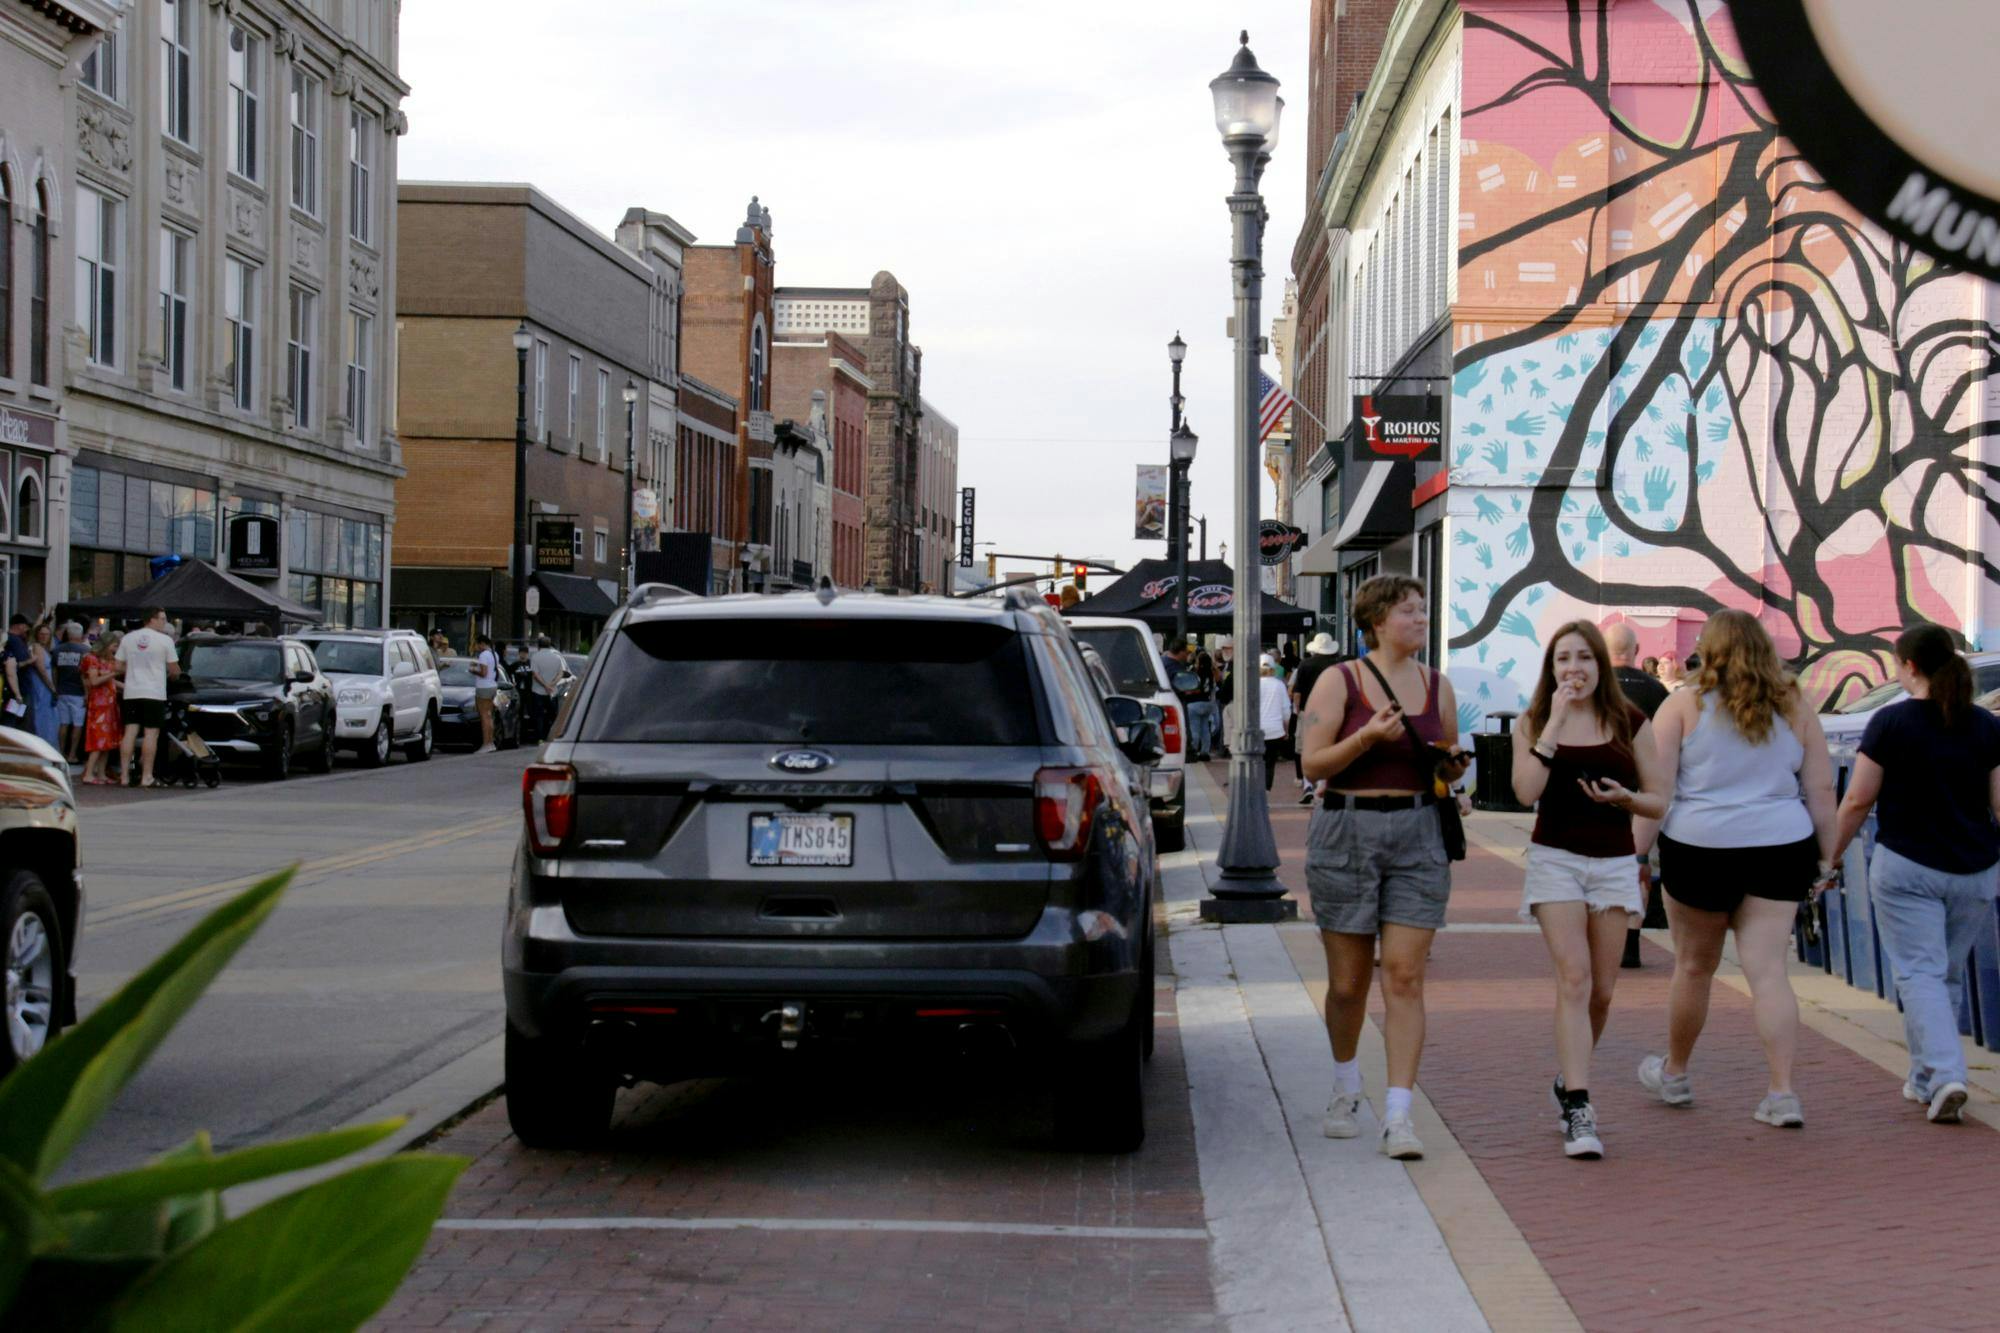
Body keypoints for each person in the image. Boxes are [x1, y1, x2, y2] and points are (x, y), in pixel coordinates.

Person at [1631, 609, 1836, 1128]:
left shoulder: (1682, 705)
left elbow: (1660, 791)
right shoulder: (1796, 708)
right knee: (1768, 971)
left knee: (1694, 966)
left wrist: (1636, 855)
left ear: (1710, 649)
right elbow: (1820, 790)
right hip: (1779, 844)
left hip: (1699, 846)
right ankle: (1782, 1092)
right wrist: (1828, 857)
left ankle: (1675, 1073)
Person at [1298, 574, 1470, 1159]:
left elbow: (1445, 768)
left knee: (1404, 975)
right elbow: (1313, 764)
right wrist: (1366, 739)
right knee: (1348, 984)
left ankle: (1399, 1114)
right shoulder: (1338, 680)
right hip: (1347, 831)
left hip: (1419, 834)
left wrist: (1453, 768)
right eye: (1407, 611)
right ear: (1375, 621)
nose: (1420, 620)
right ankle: (1347, 1085)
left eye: (1423, 610)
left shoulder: (1437, 685)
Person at [1828, 625, 2000, 1124]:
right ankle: (1926, 1077)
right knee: (1943, 974)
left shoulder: (1890, 723)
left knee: (1919, 973)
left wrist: (1829, 856)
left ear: (1910, 667)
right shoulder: (1987, 728)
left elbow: (1857, 800)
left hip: (1907, 867)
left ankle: (1947, 1074)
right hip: (1974, 870)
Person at [1511, 622, 1669, 1159]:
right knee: (1573, 978)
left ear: (1601, 664)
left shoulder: (1629, 720)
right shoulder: (1534, 720)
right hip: (1555, 859)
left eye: (1583, 657)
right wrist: (1552, 721)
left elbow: (1658, 800)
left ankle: (1567, 1077)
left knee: (1602, 991)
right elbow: (1524, 791)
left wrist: (1626, 798)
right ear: (1550, 668)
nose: (1573, 668)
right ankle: (1579, 1105)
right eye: (1562, 659)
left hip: (1613, 862)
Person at [1604, 623, 1669, 968]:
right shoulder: (1656, 690)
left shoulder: (1594, 685)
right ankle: (1630, 942)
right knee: (1637, 865)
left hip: (1598, 788)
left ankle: (1599, 937)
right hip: (1642, 790)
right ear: (1637, 649)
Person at [115, 607, 181, 788]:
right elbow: (175, 669)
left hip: (132, 691)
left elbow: (118, 666)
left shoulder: (128, 638)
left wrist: (134, 671)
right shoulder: (165, 640)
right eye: (162, 619)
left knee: (130, 732)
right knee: (151, 734)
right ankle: (146, 776)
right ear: (151, 619)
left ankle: (125, 776)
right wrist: (168, 675)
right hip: (154, 692)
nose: (164, 622)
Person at [1290, 631, 1342, 807]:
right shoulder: (1338, 664)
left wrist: (1298, 712)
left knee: (1305, 748)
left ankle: (1307, 786)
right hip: (1333, 710)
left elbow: (1297, 693)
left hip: (1309, 711)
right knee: (1328, 747)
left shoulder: (1305, 665)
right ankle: (1322, 783)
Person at [80, 632, 123, 785]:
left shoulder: (109, 660)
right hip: (99, 705)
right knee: (98, 739)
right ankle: (89, 773)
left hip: (110, 704)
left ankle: (102, 772)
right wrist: (113, 674)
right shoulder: (92, 659)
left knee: (108, 741)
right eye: (114, 645)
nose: (116, 649)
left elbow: (110, 681)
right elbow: (94, 681)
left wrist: (126, 687)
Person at [52, 622, 89, 764]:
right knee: (77, 725)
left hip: (62, 690)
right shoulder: (85, 651)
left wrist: (55, 687)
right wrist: (87, 693)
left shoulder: (57, 650)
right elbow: (84, 674)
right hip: (78, 692)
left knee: (63, 723)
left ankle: (61, 752)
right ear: (80, 634)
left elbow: (54, 671)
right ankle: (72, 754)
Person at [1256, 654, 1293, 792]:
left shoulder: (1253, 685)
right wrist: (1287, 730)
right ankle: (1266, 790)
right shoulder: (1279, 685)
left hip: (1257, 729)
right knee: (1270, 763)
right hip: (1275, 730)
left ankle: (1256, 789)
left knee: (1255, 762)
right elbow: (1286, 711)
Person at [24, 619, 60, 749]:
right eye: (42, 634)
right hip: (41, 686)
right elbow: (41, 670)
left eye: (47, 634)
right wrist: (52, 688)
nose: (44, 636)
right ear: (37, 635)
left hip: (45, 685)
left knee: (47, 715)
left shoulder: (45, 649)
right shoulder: (37, 647)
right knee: (43, 715)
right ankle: (43, 744)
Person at [528, 634, 565, 741]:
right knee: (552, 715)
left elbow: (535, 674)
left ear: (539, 646)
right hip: (552, 692)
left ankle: (540, 738)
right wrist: (552, 684)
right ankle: (552, 736)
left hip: (538, 691)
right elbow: (560, 674)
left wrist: (545, 685)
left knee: (539, 716)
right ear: (550, 646)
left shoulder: (535, 657)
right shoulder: (557, 657)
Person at [1, 613, 31, 731]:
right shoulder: (11, 641)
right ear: (19, 626)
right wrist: (30, 661)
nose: (26, 629)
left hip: (21, 689)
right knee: (11, 721)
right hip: (14, 691)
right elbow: (11, 671)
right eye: (25, 626)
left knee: (18, 718)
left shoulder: (19, 641)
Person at [1188, 650, 1219, 762]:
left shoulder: (1193, 672)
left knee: (1194, 729)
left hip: (1193, 704)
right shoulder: (1211, 673)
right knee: (1205, 728)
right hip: (1207, 704)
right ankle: (1205, 752)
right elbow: (1215, 687)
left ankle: (1194, 750)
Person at [471, 635, 500, 754]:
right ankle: (491, 742)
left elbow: (483, 673)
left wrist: (473, 670)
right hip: (492, 685)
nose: (476, 647)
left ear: (481, 643)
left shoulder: (483, 655)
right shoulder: (494, 654)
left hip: (484, 687)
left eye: (477, 644)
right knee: (489, 716)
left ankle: (486, 743)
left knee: (484, 716)